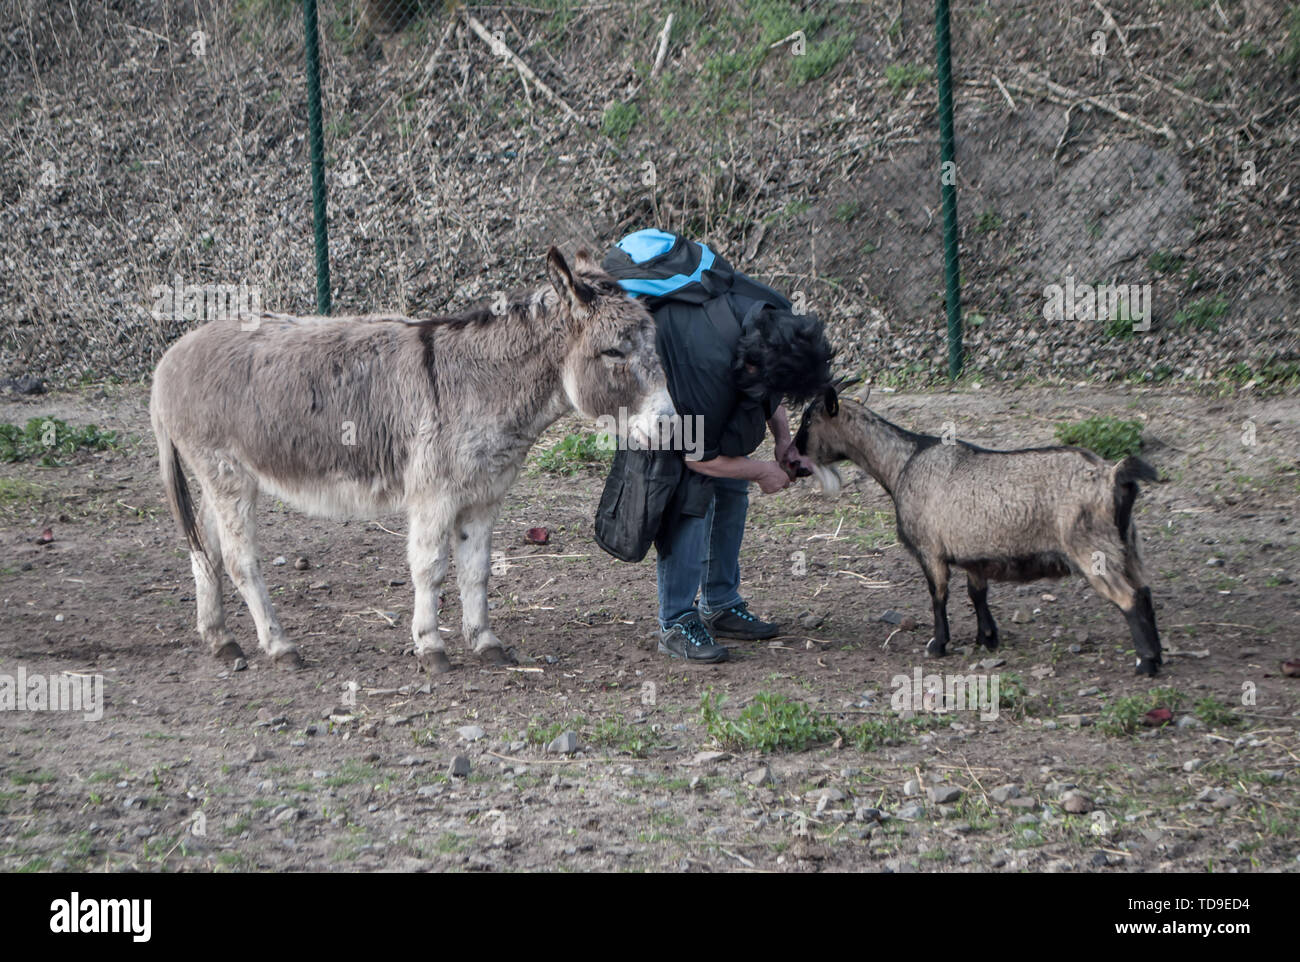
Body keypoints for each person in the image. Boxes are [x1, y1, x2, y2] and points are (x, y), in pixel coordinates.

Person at [602, 230, 833, 663]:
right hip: (667, 395)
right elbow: (700, 457)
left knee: (734, 491)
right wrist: (763, 471)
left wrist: (783, 440)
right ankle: (676, 621)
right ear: (748, 366)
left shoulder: (775, 314)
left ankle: (721, 603)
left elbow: (771, 388)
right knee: (692, 498)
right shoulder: (706, 364)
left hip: (711, 387)